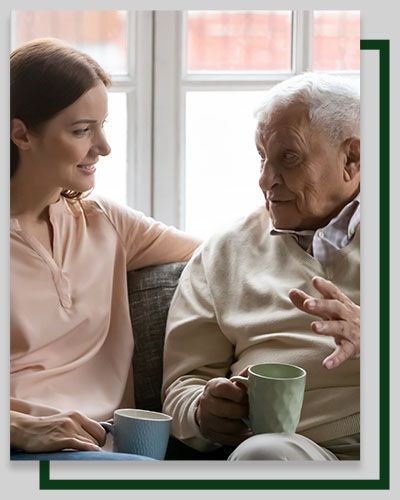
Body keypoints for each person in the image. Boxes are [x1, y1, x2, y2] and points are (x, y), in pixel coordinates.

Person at [10, 38, 201, 460]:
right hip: (24, 450)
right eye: (81, 131)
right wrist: (18, 427)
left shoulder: (105, 221)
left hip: (115, 446)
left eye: (103, 126)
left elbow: (219, 252)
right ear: (21, 133)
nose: (104, 147)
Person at [162, 72, 360, 461]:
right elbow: (183, 386)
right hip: (294, 453)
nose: (266, 179)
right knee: (265, 455)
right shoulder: (223, 252)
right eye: (262, 157)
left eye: (289, 157)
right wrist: (204, 413)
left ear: (352, 158)